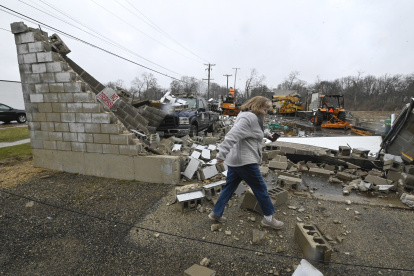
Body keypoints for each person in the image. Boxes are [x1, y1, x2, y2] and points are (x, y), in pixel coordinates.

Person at [208, 96, 284, 230]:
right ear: (258, 106)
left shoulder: (249, 115)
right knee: (260, 189)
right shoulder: (249, 117)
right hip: (245, 162)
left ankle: (216, 213)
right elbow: (232, 135)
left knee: (229, 188)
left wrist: (268, 135)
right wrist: (221, 154)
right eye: (265, 109)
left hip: (236, 161)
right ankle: (269, 218)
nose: (266, 113)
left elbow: (257, 130)